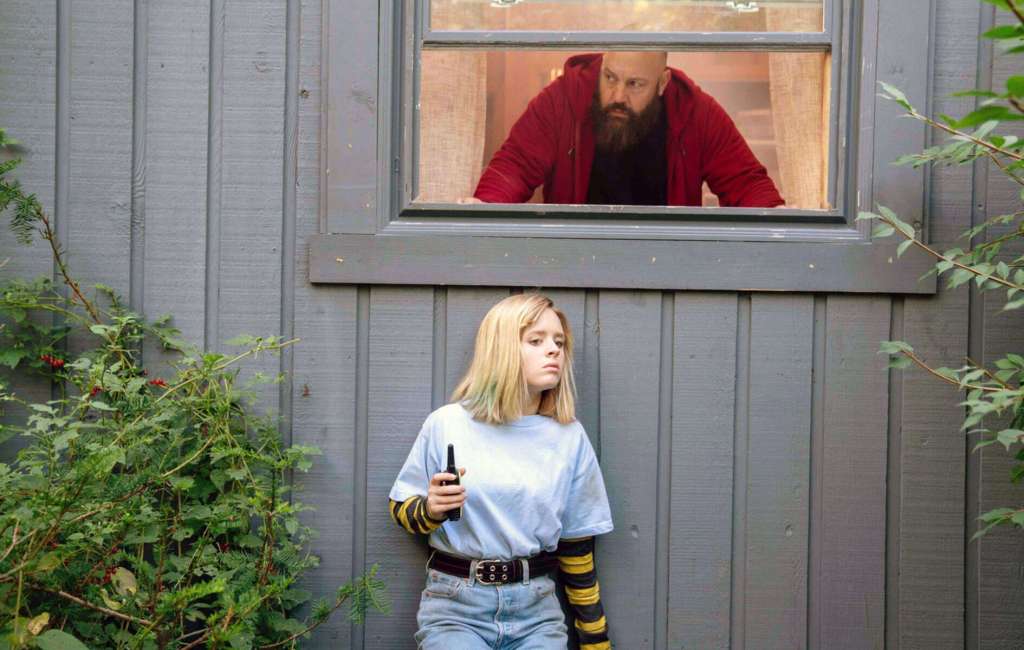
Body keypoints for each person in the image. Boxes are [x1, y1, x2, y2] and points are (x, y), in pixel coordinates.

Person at [388, 293, 614, 649]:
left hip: (537, 612)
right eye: (536, 340)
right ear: (501, 348)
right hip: (455, 607)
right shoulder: (447, 424)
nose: (554, 350)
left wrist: (595, 640)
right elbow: (401, 509)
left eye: (559, 342)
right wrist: (430, 510)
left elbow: (577, 548)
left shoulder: (569, 436)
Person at [467, 51, 784, 208]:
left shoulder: (695, 110)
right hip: (573, 265)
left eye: (635, 84)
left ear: (662, 83)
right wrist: (484, 206)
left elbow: (744, 182)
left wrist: (778, 219)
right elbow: (516, 167)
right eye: (610, 78)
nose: (618, 95)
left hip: (666, 268)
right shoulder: (564, 97)